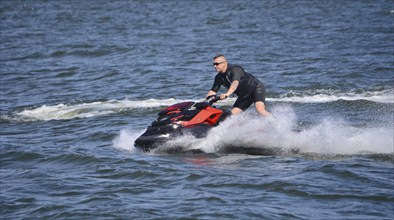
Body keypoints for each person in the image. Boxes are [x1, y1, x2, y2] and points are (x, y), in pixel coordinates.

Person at [206, 55, 271, 117]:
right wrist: (205, 102)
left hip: (255, 89)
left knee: (260, 110)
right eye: (213, 64)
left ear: (224, 63)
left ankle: (276, 122)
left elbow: (235, 83)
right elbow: (213, 91)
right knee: (232, 115)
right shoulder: (219, 77)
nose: (215, 66)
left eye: (217, 64)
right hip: (244, 96)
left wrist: (227, 94)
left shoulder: (235, 69)